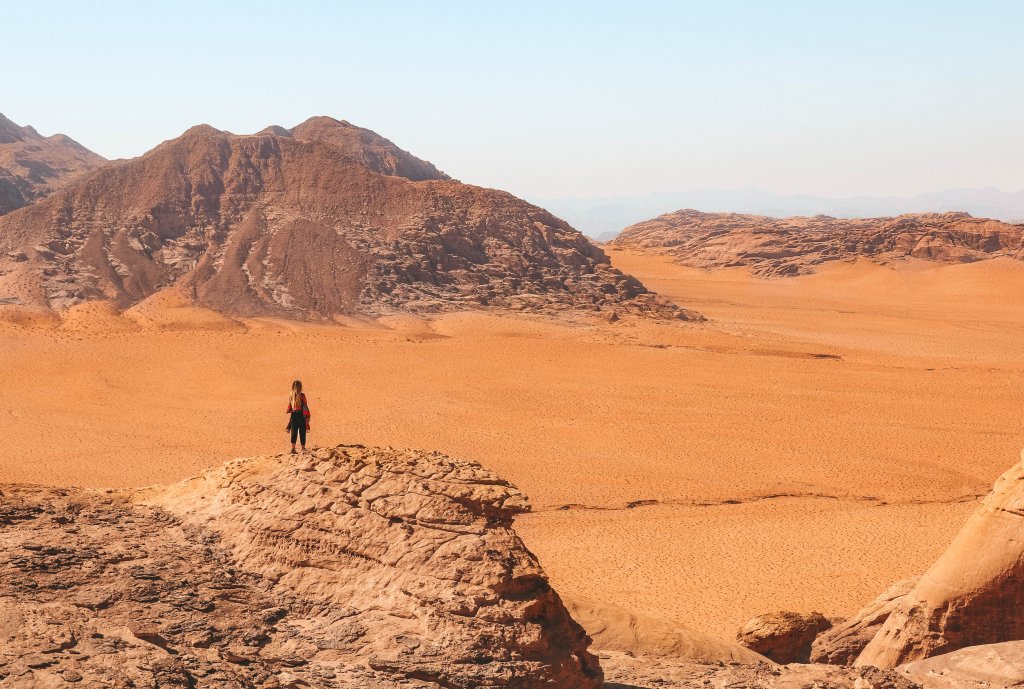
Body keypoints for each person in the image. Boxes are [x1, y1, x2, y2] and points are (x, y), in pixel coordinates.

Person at [286, 380, 311, 453]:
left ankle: (293, 449)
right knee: (302, 432)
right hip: (300, 415)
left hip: (294, 415)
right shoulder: (302, 395)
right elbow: (305, 406)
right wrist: (307, 416)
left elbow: (290, 406)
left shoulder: (291, 395)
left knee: (294, 432)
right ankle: (302, 448)